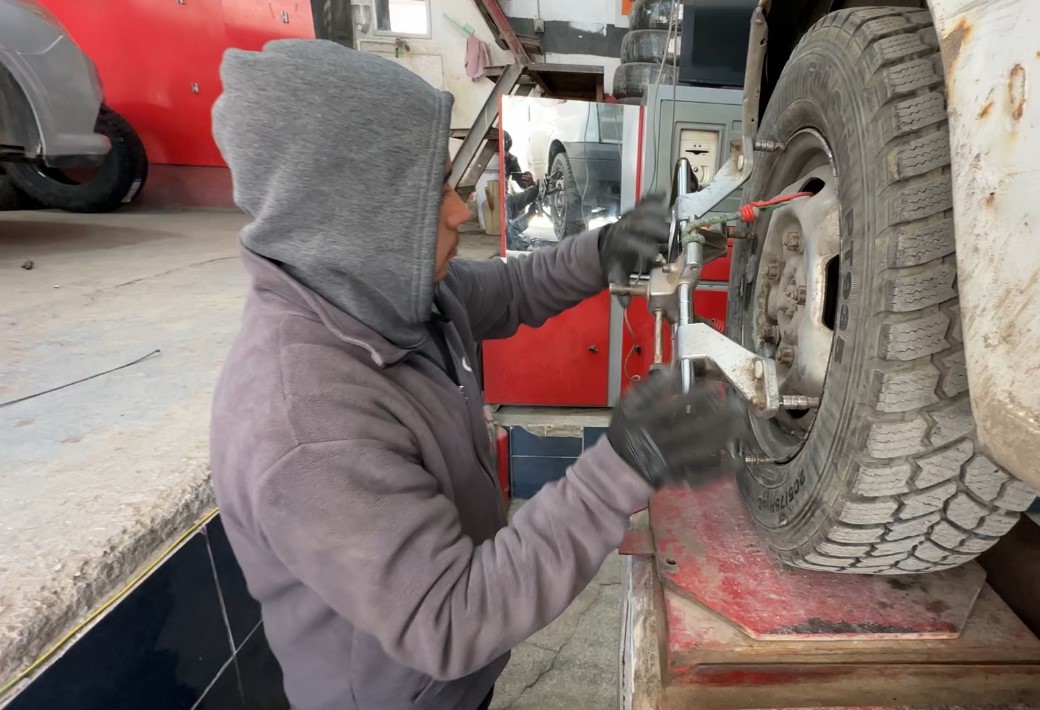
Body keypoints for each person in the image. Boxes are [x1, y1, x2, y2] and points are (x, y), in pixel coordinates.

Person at [208, 40, 745, 710]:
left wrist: (605, 249)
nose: (462, 211)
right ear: (354, 212)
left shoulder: (393, 297)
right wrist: (622, 465)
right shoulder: (304, 423)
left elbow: (512, 288)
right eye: (434, 192)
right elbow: (454, 617)